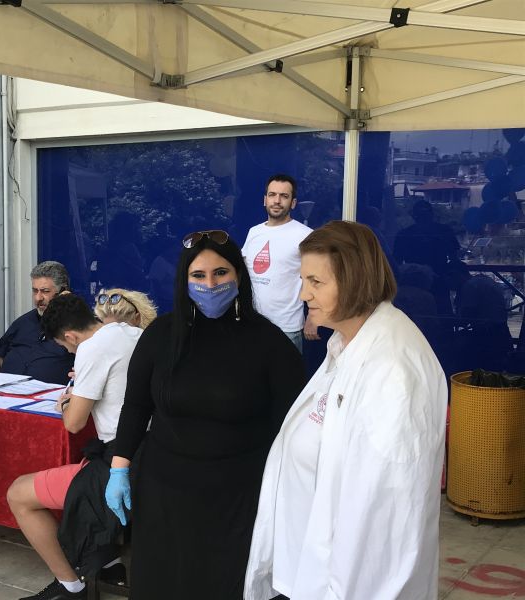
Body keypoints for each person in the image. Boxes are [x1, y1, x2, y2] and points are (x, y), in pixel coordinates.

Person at [244, 221, 447, 600]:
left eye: (316, 282)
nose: (303, 294)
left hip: (342, 586)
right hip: (308, 571)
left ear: (355, 279)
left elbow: (383, 520)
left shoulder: (393, 372)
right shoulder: (346, 342)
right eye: (303, 280)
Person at [105, 230, 305, 600]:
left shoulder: (269, 343)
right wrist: (119, 468)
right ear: (184, 280)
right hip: (164, 493)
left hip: (238, 498)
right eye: (198, 275)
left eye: (220, 273)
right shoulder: (160, 336)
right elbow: (136, 406)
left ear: (238, 276)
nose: (210, 285)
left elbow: (293, 426)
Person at [7, 293, 141, 600]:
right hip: (153, 452)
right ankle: (108, 563)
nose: (70, 352)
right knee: (84, 468)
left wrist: (68, 402)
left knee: (18, 493)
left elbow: (74, 424)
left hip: (124, 463)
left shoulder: (91, 348)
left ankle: (70, 586)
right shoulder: (131, 333)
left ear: (70, 336)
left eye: (67, 348)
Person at [0, 261, 74, 384]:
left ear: (63, 292)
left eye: (45, 291)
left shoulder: (76, 327)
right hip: (5, 391)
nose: (38, 298)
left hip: (51, 394)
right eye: (35, 291)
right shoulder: (23, 322)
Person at [242, 174, 316, 351]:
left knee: (287, 371)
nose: (277, 201)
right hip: (252, 325)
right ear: (265, 200)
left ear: (293, 203)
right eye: (272, 195)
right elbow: (242, 272)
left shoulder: (306, 235)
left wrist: (313, 317)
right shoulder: (254, 232)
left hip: (286, 328)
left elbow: (317, 279)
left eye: (284, 196)